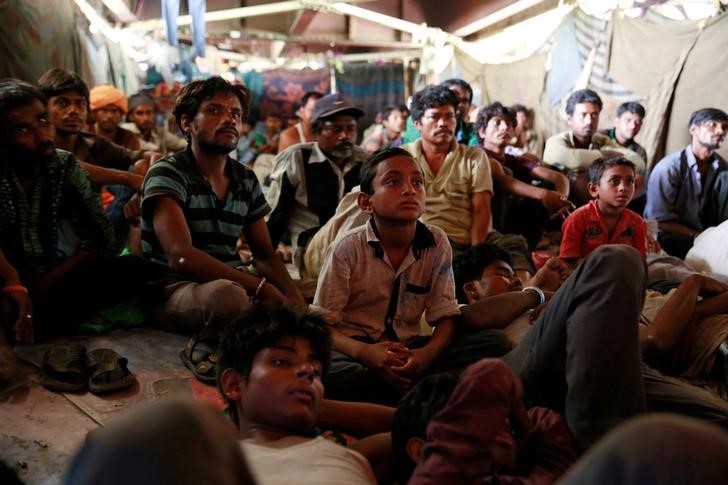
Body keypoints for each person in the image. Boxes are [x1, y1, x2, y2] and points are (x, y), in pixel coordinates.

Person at [454, 242, 728, 449]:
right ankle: (603, 452)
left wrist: (559, 294)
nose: (515, 278)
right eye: (503, 274)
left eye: (516, 274)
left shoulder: (565, 304)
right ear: (472, 289)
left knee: (719, 422)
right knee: (617, 258)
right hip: (539, 369)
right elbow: (468, 317)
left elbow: (644, 338)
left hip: (612, 365)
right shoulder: (469, 316)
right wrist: (535, 292)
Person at [312, 148, 510, 405]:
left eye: (418, 182)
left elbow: (446, 315)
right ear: (366, 202)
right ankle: (421, 393)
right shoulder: (347, 248)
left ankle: (403, 388)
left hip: (410, 349)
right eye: (393, 182)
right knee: (326, 371)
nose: (410, 190)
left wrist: (425, 356)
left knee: (494, 343)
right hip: (356, 352)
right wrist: (366, 353)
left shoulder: (437, 242)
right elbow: (322, 325)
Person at [0, 79, 153, 378]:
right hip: (4, 278)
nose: (42, 135)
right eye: (22, 129)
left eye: (42, 121)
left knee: (136, 270)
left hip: (48, 278)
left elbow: (100, 239)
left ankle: (29, 321)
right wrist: (12, 282)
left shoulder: (65, 165)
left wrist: (41, 286)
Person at [140, 76, 304, 336]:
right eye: (214, 110)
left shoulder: (245, 178)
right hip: (175, 289)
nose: (230, 119)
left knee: (305, 292)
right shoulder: (169, 173)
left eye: (236, 113)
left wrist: (298, 305)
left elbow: (264, 255)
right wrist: (260, 287)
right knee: (228, 298)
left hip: (234, 279)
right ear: (187, 123)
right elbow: (180, 256)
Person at [216, 304, 377, 484]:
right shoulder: (212, 465)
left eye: (316, 371)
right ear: (234, 384)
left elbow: (405, 422)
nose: (308, 370)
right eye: (281, 361)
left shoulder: (350, 460)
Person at [266, 92, 368, 255]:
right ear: (316, 132)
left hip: (356, 245)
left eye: (351, 129)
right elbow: (276, 214)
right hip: (313, 248)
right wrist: (265, 257)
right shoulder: (297, 159)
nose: (345, 136)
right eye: (335, 129)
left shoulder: (365, 161)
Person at [404, 85, 493, 255]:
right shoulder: (402, 157)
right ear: (417, 123)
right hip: (418, 243)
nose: (443, 123)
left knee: (513, 246)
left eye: (449, 116)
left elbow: (482, 209)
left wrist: (474, 253)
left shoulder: (474, 157)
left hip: (463, 242)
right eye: (434, 117)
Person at [475, 102, 572, 249]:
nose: (504, 127)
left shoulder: (513, 159)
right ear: (482, 132)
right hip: (484, 220)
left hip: (510, 217)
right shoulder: (476, 154)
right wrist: (544, 195)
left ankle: (529, 243)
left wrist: (559, 200)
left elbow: (558, 178)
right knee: (507, 174)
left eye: (509, 124)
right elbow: (502, 181)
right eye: (497, 123)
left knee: (548, 185)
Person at [644, 108, 728, 259]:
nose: (720, 131)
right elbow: (659, 221)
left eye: (724, 127)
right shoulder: (669, 168)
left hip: (706, 233)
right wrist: (700, 236)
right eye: (713, 125)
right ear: (693, 129)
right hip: (670, 236)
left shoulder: (721, 167)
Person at [542, 89, 646, 205]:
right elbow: (575, 159)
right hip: (558, 202)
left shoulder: (600, 140)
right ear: (570, 118)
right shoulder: (555, 141)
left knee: (636, 180)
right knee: (581, 179)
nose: (589, 121)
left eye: (594, 114)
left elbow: (638, 161)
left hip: (597, 202)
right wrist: (604, 156)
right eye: (583, 115)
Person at [560, 156, 648, 264]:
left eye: (629, 181)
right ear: (593, 189)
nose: (623, 188)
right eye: (614, 181)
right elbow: (567, 264)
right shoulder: (577, 219)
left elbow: (640, 262)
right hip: (586, 278)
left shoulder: (637, 223)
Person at [403, 79, 479, 146]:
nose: (460, 104)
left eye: (465, 101)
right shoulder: (420, 120)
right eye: (454, 98)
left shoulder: (470, 130)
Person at [121, 91, 186, 154]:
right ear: (131, 116)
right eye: (139, 113)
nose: (146, 118)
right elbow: (153, 150)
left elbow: (178, 143)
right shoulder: (126, 130)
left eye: (149, 112)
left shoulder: (158, 131)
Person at [89, 84, 141, 151]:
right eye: (104, 110)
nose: (109, 116)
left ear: (121, 114)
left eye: (114, 111)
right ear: (94, 113)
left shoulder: (129, 137)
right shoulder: (86, 135)